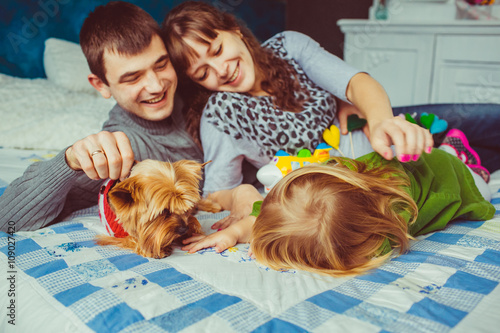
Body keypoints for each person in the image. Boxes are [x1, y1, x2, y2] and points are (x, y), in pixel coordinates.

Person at [161, 1, 435, 203]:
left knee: (444, 141)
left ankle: (454, 147)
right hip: (331, 196)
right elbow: (218, 194)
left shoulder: (290, 47)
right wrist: (246, 198)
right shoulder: (220, 117)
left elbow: (355, 83)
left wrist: (379, 122)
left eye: (218, 50)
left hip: (371, 145)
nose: (220, 70)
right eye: (203, 73)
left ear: (235, 30)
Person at [0, 1, 202, 232]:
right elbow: (7, 219)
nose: (156, 86)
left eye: (161, 64)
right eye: (132, 78)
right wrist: (70, 161)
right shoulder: (122, 151)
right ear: (101, 85)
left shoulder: (200, 84)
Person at [182, 130, 495, 276]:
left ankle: (463, 155)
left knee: (481, 184)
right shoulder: (344, 175)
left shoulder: (384, 230)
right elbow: (275, 213)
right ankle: (451, 147)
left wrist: (282, 252)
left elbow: (330, 251)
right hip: (419, 162)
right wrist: (236, 233)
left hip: (454, 177)